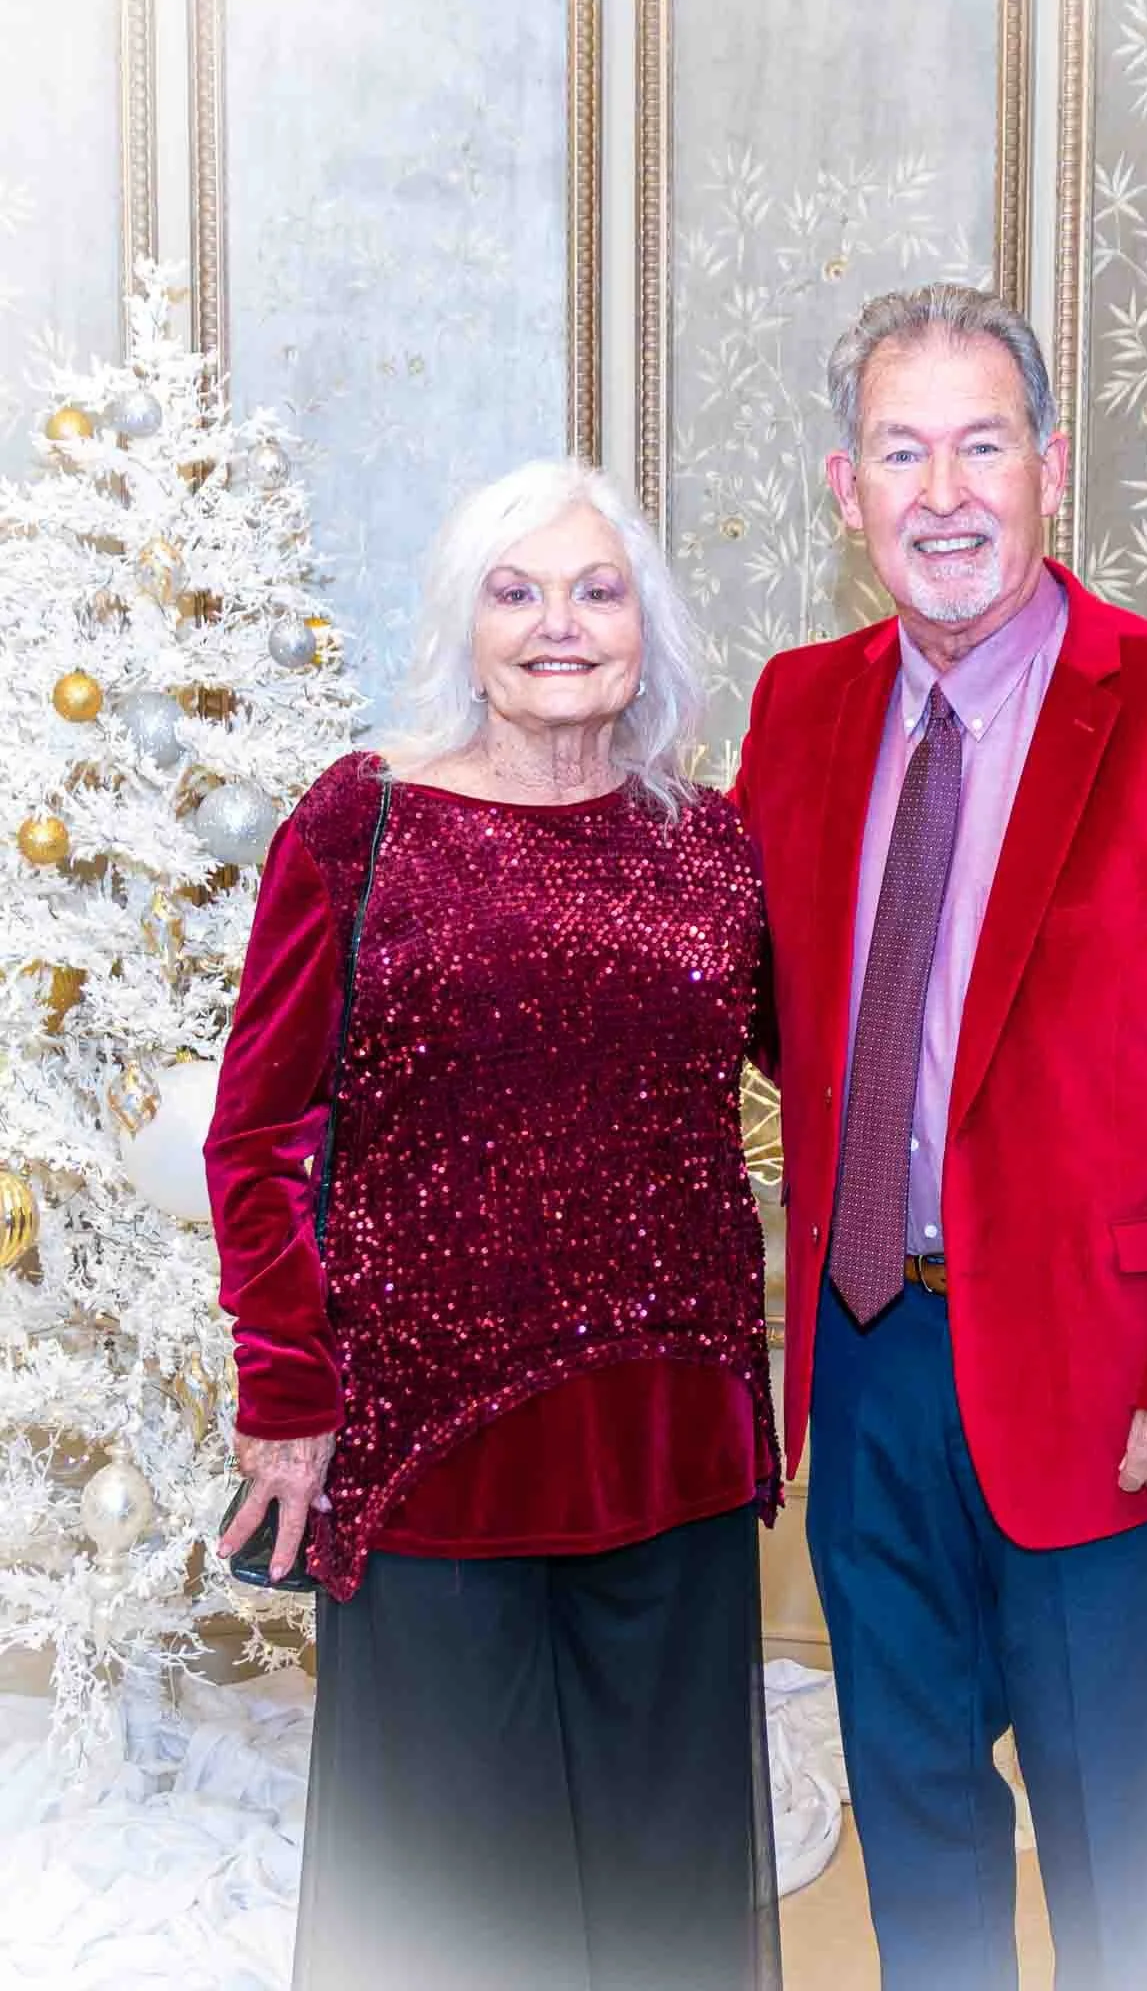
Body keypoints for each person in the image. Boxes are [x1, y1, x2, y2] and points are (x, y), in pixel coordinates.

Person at [734, 284, 1147, 1989]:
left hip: (1114, 1388)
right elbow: (729, 978)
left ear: (1050, 468)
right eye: (901, 448)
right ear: (845, 489)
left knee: (1112, 1848)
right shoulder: (796, 711)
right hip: (861, 1375)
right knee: (917, 1832)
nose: (945, 491)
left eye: (981, 443)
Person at [206, 460, 783, 1991]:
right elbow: (260, 1133)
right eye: (514, 592)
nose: (557, 626)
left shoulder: (713, 848)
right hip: (432, 1452)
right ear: (463, 628)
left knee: (666, 1879)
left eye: (596, 591)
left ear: (643, 630)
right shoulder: (362, 824)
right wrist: (285, 1393)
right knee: (459, 1895)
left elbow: (862, 1075)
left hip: (672, 1436)